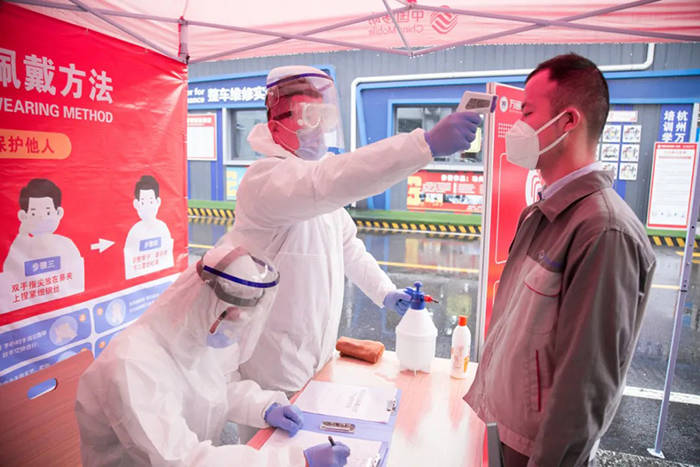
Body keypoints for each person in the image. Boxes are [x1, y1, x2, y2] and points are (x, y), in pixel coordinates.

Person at [219, 65, 481, 401]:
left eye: (324, 117)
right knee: (268, 435)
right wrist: (423, 145)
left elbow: (350, 250)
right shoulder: (265, 180)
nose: (319, 130)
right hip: (272, 375)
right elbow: (328, 182)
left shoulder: (318, 187)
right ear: (275, 123)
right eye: (308, 117)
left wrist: (385, 292)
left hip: (318, 363)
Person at [463, 54, 656, 466]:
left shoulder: (604, 230)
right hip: (504, 432)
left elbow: (584, 386)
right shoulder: (543, 211)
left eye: (527, 113)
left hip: (536, 452)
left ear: (567, 121)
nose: (517, 126)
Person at [75, 245, 350, 466]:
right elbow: (180, 459)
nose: (237, 322)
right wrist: (295, 462)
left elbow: (218, 388)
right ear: (201, 299)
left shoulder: (195, 336)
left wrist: (264, 407)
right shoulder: (132, 364)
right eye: (230, 313)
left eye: (244, 316)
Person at [1, 178, 84, 312]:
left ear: (58, 213)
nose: (41, 218)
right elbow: (8, 274)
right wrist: (22, 235)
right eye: (33, 213)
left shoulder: (67, 245)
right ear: (23, 216)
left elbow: (77, 279)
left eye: (47, 212)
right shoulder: (21, 246)